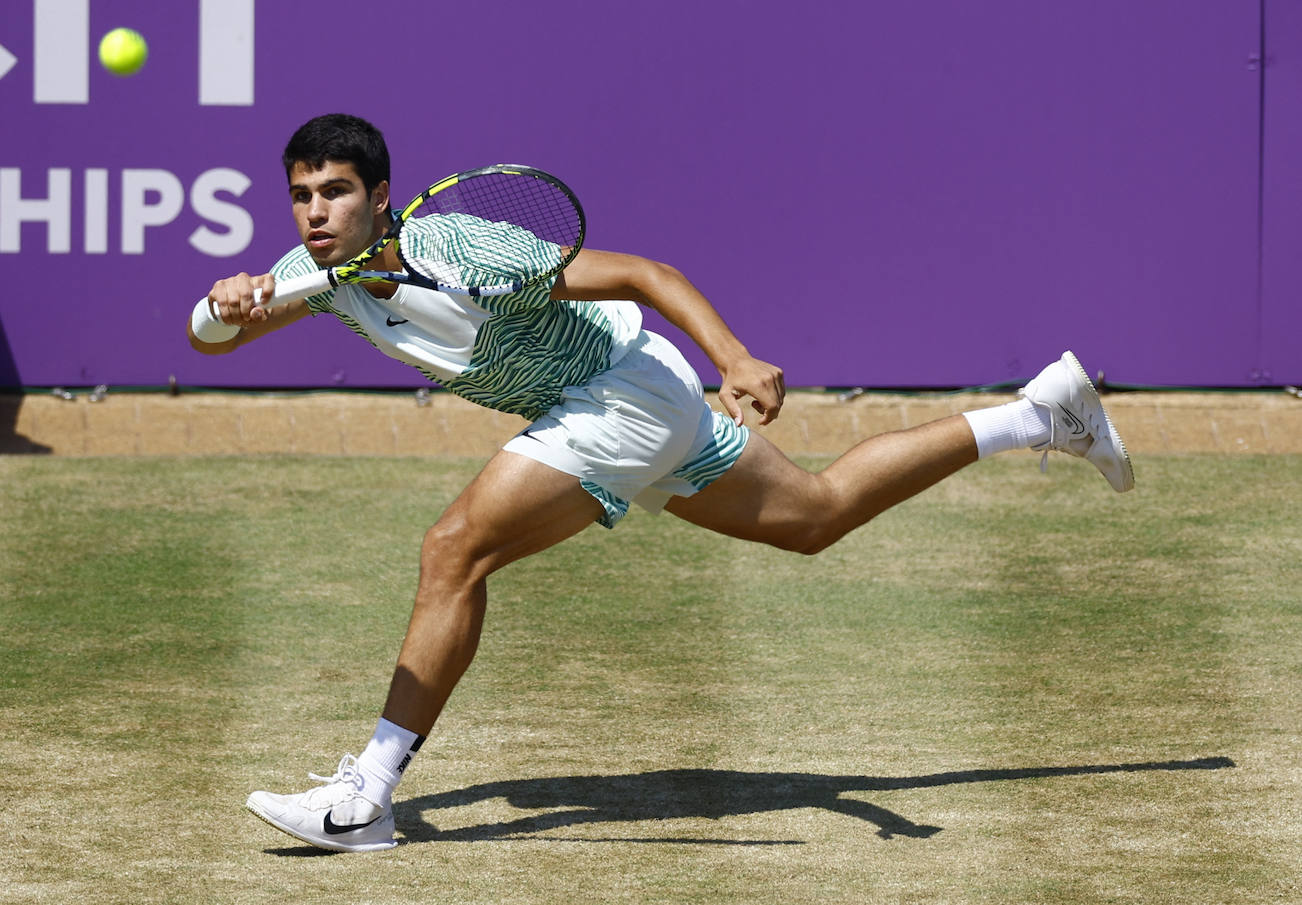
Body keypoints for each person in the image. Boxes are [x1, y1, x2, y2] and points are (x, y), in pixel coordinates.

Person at [187, 113, 1134, 853]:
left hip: (618, 393)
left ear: (382, 195)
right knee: (815, 515)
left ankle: (367, 799)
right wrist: (226, 303)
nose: (316, 212)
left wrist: (737, 355)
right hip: (620, 407)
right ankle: (1043, 414)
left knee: (453, 548)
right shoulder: (312, 273)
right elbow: (210, 336)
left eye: (337, 193)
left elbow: (645, 272)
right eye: (302, 195)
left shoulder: (464, 250)